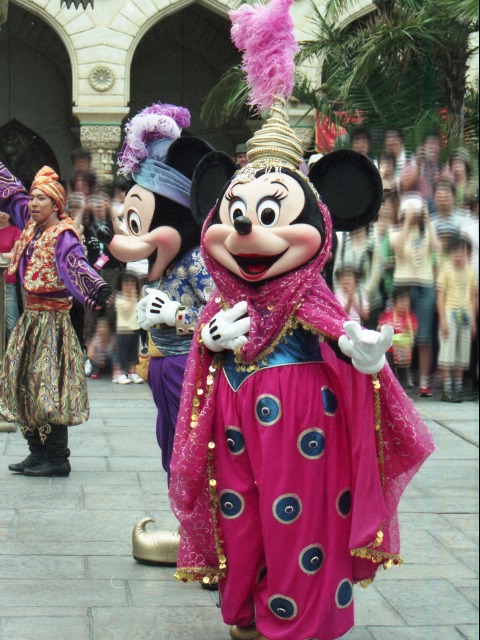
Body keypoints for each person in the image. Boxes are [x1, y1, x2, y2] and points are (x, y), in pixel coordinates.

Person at [169, 4, 434, 639]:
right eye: (236, 213)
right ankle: (247, 608)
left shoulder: (313, 298)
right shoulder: (224, 299)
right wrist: (209, 338)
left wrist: (361, 355)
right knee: (243, 520)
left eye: (270, 215)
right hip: (235, 421)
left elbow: (342, 340)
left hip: (304, 426)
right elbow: (205, 347)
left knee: (300, 524)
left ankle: (294, 618)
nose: (245, 231)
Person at [0, 163, 114, 477]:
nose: (33, 203)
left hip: (52, 323)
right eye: (33, 198)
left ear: (56, 205)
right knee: (23, 383)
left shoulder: (63, 235)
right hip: (30, 320)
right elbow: (13, 193)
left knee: (47, 387)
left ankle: (57, 458)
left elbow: (76, 265)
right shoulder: (31, 225)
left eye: (41, 199)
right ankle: (36, 453)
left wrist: (98, 289)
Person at [390, 193, 441, 397]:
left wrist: (427, 222)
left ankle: (424, 381)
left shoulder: (427, 230)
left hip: (425, 285)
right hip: (403, 285)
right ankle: (400, 379)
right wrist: (407, 222)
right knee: (399, 336)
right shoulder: (396, 230)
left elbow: (437, 247)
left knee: (424, 336)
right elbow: (398, 246)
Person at [436, 236, 477, 402]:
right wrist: (443, 320)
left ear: (467, 254)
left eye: (462, 252)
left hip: (466, 315)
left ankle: (458, 389)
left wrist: (473, 320)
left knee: (462, 353)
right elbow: (440, 296)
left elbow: (473, 296)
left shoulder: (470, 272)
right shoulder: (445, 270)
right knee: (447, 352)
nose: (458, 256)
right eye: (455, 252)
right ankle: (447, 390)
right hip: (450, 313)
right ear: (451, 253)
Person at [378, 286, 418, 390]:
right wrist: (384, 328)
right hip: (389, 350)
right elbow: (379, 328)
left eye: (407, 301)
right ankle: (390, 391)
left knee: (403, 373)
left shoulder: (411, 317)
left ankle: (402, 393)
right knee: (389, 373)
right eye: (401, 301)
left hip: (403, 352)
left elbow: (414, 332)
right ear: (394, 302)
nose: (404, 304)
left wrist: (408, 333)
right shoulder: (388, 315)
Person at [113, 270, 143, 384]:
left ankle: (132, 372)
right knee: (122, 353)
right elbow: (126, 311)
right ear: (120, 285)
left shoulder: (136, 298)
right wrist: (133, 298)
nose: (129, 286)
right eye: (126, 283)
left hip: (135, 329)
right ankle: (119, 374)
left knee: (133, 353)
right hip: (123, 330)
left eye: (132, 283)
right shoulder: (119, 297)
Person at [0, 210, 22, 344]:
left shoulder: (15, 231)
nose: (3, 214)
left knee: (12, 324)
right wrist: (6, 255)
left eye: (7, 211)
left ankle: (14, 354)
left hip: (7, 282)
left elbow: (17, 253)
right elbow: (10, 255)